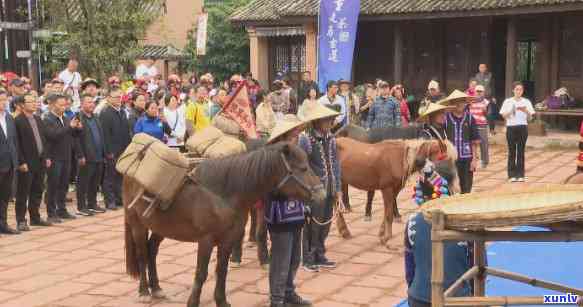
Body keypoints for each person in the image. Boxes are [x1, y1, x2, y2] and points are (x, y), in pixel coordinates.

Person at [405, 162, 470, 307]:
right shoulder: (466, 224)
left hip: (419, 298)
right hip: (458, 300)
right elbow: (478, 268)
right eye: (457, 182)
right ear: (451, 188)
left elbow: (410, 271)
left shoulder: (412, 222)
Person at [265, 114, 312, 307]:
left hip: (297, 213)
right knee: (280, 260)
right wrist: (289, 190)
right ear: (283, 136)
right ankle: (277, 299)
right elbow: (269, 187)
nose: (296, 138)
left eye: (297, 134)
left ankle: (289, 292)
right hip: (279, 214)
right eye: (293, 135)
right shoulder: (271, 157)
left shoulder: (296, 154)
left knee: (294, 259)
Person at [299, 102, 342, 272]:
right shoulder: (306, 140)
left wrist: (338, 188)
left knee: (325, 223)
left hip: (330, 188)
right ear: (317, 122)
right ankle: (308, 258)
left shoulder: (331, 138)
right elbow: (302, 166)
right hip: (315, 191)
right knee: (312, 225)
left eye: (331, 120)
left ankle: (320, 254)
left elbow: (336, 164)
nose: (330, 123)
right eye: (327, 120)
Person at [14, 94, 52, 231]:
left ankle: (35, 217)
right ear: (22, 105)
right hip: (26, 162)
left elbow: (43, 139)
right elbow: (16, 143)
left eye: (35, 101)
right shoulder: (18, 121)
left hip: (40, 160)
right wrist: (21, 161)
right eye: (30, 102)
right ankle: (21, 220)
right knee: (23, 192)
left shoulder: (38, 119)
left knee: (37, 190)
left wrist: (47, 156)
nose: (34, 104)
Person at [44, 93, 83, 222]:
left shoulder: (66, 118)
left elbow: (71, 135)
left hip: (66, 156)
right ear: (53, 104)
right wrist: (69, 127)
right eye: (61, 105)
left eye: (65, 105)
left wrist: (77, 129)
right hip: (54, 157)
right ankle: (51, 212)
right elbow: (53, 135)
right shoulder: (47, 119)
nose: (63, 107)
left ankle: (62, 209)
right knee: (53, 185)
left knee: (64, 185)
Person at [75, 93, 107, 216]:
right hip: (86, 156)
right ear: (82, 104)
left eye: (92, 102)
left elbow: (100, 135)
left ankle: (92, 204)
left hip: (98, 155)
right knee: (83, 182)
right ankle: (81, 206)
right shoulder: (78, 118)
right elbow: (76, 139)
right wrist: (80, 155)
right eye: (88, 102)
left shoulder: (95, 117)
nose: (91, 104)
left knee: (95, 181)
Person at [443, 91, 480, 194]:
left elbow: (474, 140)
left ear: (466, 103)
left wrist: (474, 160)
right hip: (450, 159)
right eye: (456, 102)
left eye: (462, 101)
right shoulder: (446, 119)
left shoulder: (470, 118)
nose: (460, 104)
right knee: (449, 187)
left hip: (467, 159)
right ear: (452, 103)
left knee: (466, 187)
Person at [100, 88, 131, 210]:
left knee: (120, 176)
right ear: (108, 98)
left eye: (120, 97)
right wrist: (108, 152)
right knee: (110, 177)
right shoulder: (105, 113)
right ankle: (110, 200)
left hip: (123, 149)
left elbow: (126, 131)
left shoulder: (122, 112)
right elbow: (105, 135)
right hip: (112, 151)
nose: (119, 99)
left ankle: (119, 198)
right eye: (115, 97)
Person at [499, 82, 535, 183]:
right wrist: (511, 111)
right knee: (512, 151)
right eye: (517, 89)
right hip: (511, 127)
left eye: (520, 90)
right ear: (513, 90)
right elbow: (503, 115)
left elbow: (531, 118)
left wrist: (526, 111)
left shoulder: (526, 101)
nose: (519, 91)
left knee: (521, 151)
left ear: (522, 91)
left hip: (523, 127)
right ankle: (511, 175)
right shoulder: (508, 101)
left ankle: (520, 174)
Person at [0, 89, 20, 234]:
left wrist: (16, 160)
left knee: (5, 196)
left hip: (9, 163)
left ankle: (3, 224)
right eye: (0, 100)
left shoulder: (9, 117)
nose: (3, 103)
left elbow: (13, 141)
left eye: (4, 100)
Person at [469, 85, 490, 168]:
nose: (478, 93)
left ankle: (484, 161)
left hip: (482, 125)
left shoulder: (486, 102)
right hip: (471, 125)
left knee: (483, 144)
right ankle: (471, 160)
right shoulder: (470, 101)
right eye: (477, 91)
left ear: (483, 93)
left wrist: (486, 111)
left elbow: (490, 116)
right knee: (471, 144)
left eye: (480, 91)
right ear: (474, 91)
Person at [475, 64, 497, 135]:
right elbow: (475, 87)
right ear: (479, 68)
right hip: (480, 98)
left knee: (490, 114)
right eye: (480, 67)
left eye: (483, 67)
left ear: (486, 68)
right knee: (480, 113)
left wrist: (493, 96)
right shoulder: (477, 76)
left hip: (489, 97)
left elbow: (493, 86)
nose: (482, 68)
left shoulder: (490, 75)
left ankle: (492, 129)